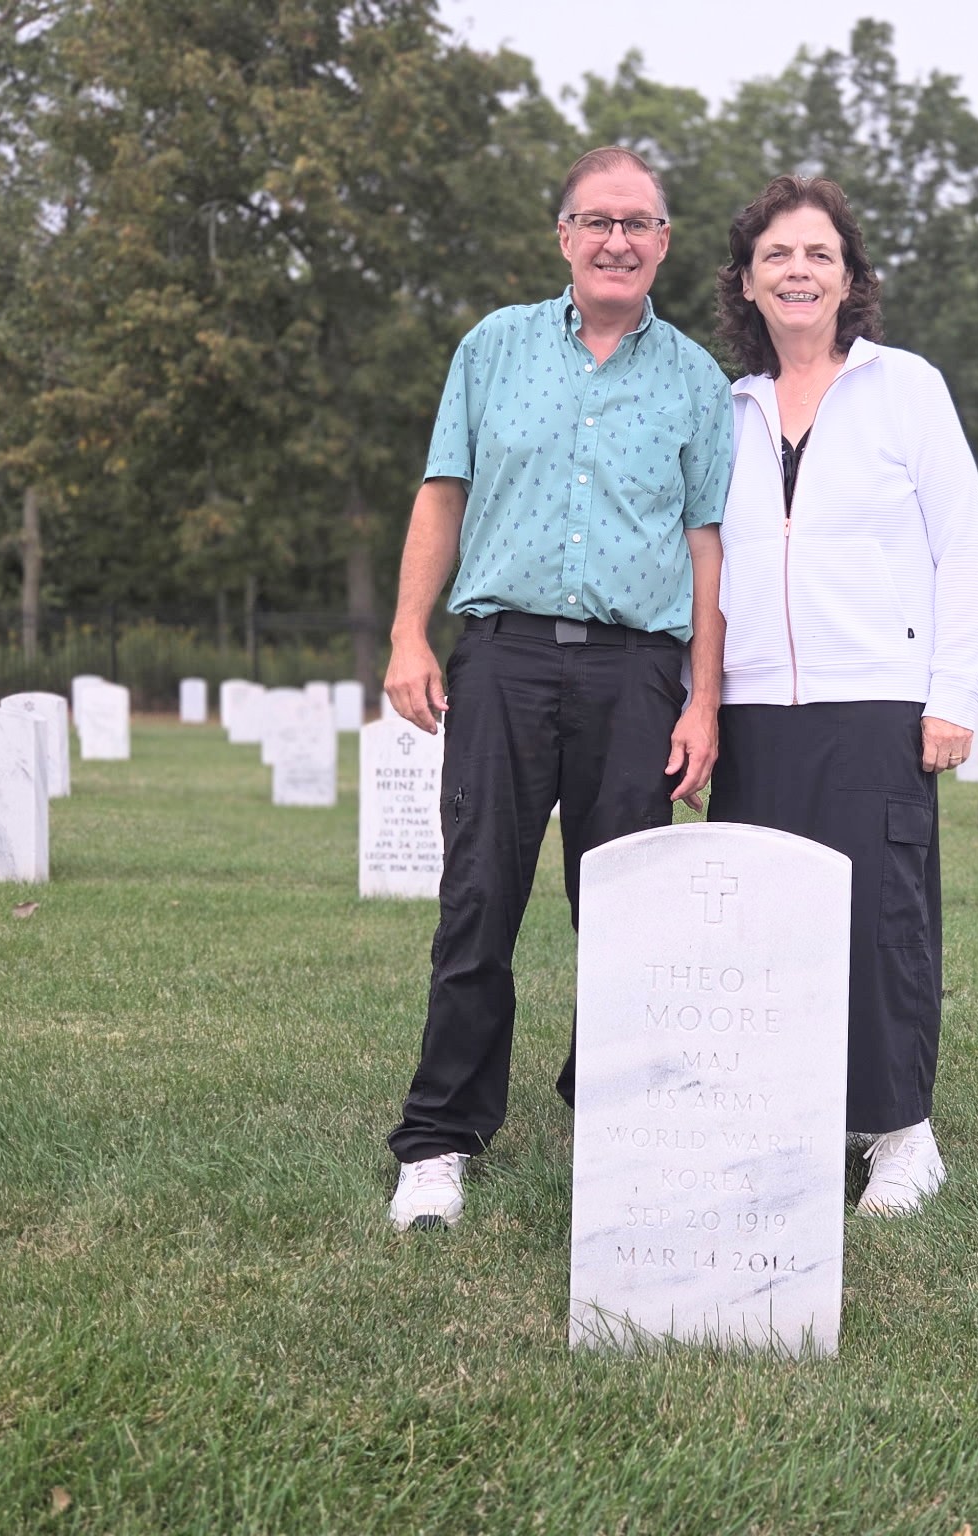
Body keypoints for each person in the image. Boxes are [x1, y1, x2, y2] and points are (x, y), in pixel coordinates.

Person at [382, 147, 734, 1231]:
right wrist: (407, 634)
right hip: (503, 658)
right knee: (479, 897)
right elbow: (442, 495)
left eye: (638, 224)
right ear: (565, 236)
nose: (616, 241)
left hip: (636, 671)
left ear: (663, 244)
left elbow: (708, 547)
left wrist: (704, 699)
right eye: (597, 221)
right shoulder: (492, 348)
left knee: (626, 910)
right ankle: (441, 1138)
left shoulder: (695, 380)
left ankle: (616, 1115)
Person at [709, 175, 978, 1216]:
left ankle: (902, 1134)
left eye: (818, 254)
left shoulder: (904, 387)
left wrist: (951, 691)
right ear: (747, 281)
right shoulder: (723, 408)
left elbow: (961, 543)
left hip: (876, 700)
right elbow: (703, 561)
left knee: (880, 920)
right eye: (776, 255)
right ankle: (788, 1115)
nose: (798, 271)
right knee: (764, 928)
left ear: (848, 277)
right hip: (750, 711)